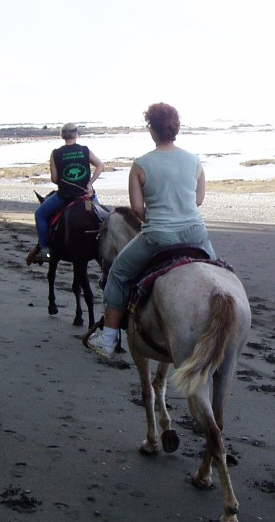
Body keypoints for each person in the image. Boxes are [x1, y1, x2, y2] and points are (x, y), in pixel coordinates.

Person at [86, 102, 215, 358]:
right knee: (221, 273)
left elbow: (137, 209)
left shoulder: (141, 165)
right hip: (196, 235)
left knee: (118, 275)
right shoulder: (194, 161)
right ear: (176, 128)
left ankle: (109, 338)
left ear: (151, 130)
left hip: (157, 237)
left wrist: (158, 217)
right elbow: (198, 201)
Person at [27, 123, 104, 264]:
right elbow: (100, 165)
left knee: (40, 214)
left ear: (62, 136)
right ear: (77, 134)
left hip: (64, 196)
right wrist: (89, 183)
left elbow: (54, 179)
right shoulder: (85, 150)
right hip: (86, 196)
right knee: (104, 219)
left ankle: (44, 249)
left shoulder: (56, 153)